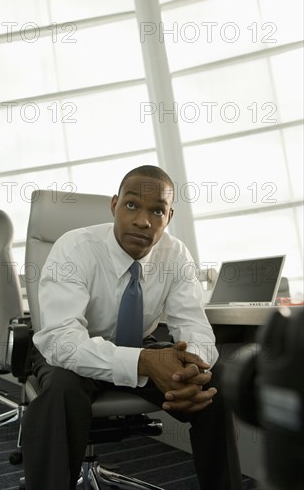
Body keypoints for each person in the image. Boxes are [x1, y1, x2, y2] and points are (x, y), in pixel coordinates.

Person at [21, 165, 243, 490]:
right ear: (114, 206)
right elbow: (62, 341)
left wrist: (190, 370)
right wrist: (143, 362)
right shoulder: (74, 248)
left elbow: (194, 327)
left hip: (139, 343)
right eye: (131, 205)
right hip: (73, 350)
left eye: (157, 210)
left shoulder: (175, 254)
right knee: (61, 391)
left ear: (169, 217)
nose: (143, 220)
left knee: (214, 380)